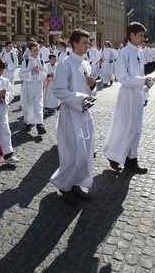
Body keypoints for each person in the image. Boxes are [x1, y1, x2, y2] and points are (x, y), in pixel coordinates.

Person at [50, 29, 97, 205]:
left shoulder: (86, 64)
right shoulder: (65, 64)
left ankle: (77, 184)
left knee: (85, 153)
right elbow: (59, 91)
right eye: (84, 42)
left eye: (88, 42)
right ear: (74, 43)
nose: (88, 45)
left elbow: (90, 88)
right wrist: (80, 99)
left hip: (85, 113)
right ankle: (65, 186)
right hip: (71, 113)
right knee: (72, 153)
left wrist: (92, 87)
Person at [103, 21, 155, 174]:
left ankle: (132, 161)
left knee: (136, 129)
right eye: (140, 35)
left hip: (138, 95)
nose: (142, 38)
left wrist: (145, 92)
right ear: (131, 35)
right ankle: (114, 156)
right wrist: (141, 82)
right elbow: (121, 77)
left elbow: (141, 75)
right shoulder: (124, 52)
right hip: (127, 95)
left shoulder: (139, 52)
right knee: (126, 128)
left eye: (143, 36)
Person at [19, 41, 48, 135]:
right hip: (28, 87)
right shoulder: (26, 62)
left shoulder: (42, 61)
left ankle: (40, 124)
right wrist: (31, 72)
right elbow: (21, 75)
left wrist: (39, 73)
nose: (36, 52)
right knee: (28, 105)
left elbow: (45, 74)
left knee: (38, 104)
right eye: (34, 50)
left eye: (37, 50)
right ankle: (28, 122)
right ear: (30, 51)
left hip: (38, 86)